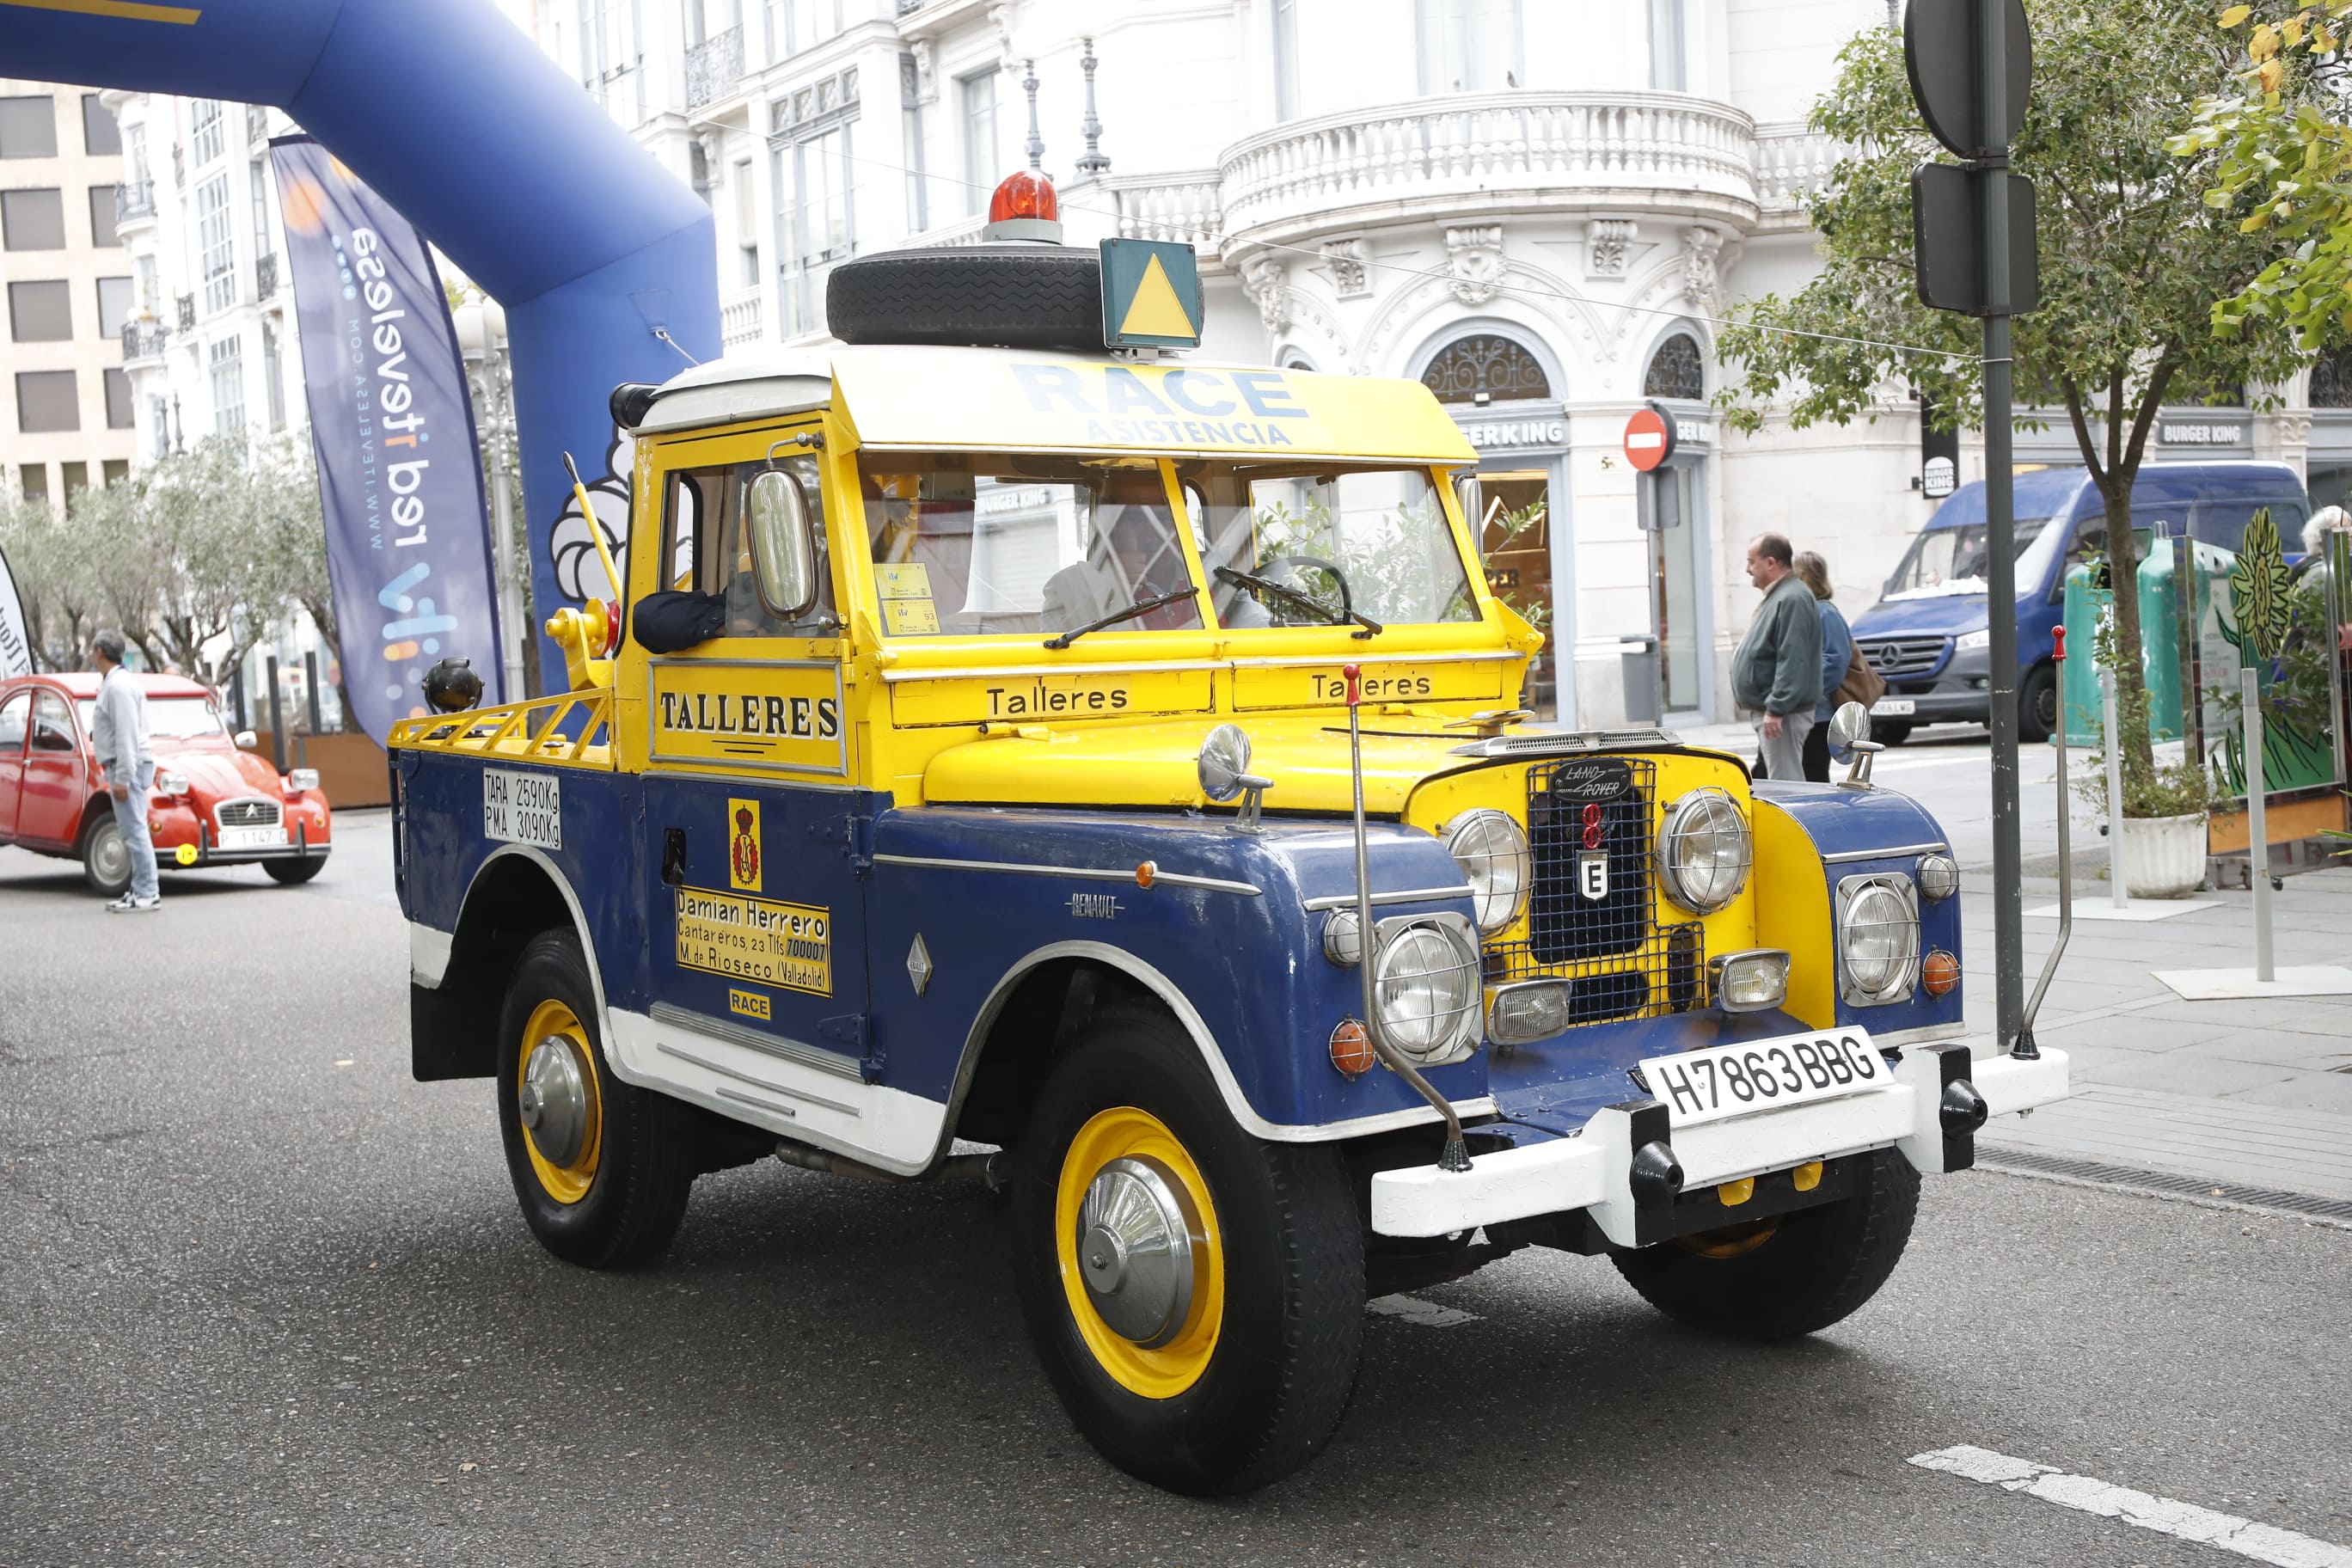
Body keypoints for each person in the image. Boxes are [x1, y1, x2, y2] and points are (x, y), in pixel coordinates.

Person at [1731, 533, 1822, 782]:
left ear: (1770, 562)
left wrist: (1777, 707)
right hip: (1779, 711)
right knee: (1781, 780)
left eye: (1751, 562)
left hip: (1785, 714)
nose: (1748, 569)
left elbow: (1792, 658)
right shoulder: (1783, 595)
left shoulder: (1791, 597)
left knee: (1786, 784)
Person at [88, 629, 161, 912]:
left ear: (99, 652)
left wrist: (123, 778)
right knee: (133, 829)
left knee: (134, 830)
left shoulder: (118, 687)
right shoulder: (114, 683)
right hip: (122, 764)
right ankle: (140, 888)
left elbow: (127, 734)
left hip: (125, 765)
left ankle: (147, 891)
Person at [1792, 550, 1853, 783]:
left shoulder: (1825, 612)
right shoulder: (1808, 610)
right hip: (1805, 713)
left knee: (1814, 776)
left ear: (1804, 578)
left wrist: (1802, 690)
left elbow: (1836, 662)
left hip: (1818, 714)